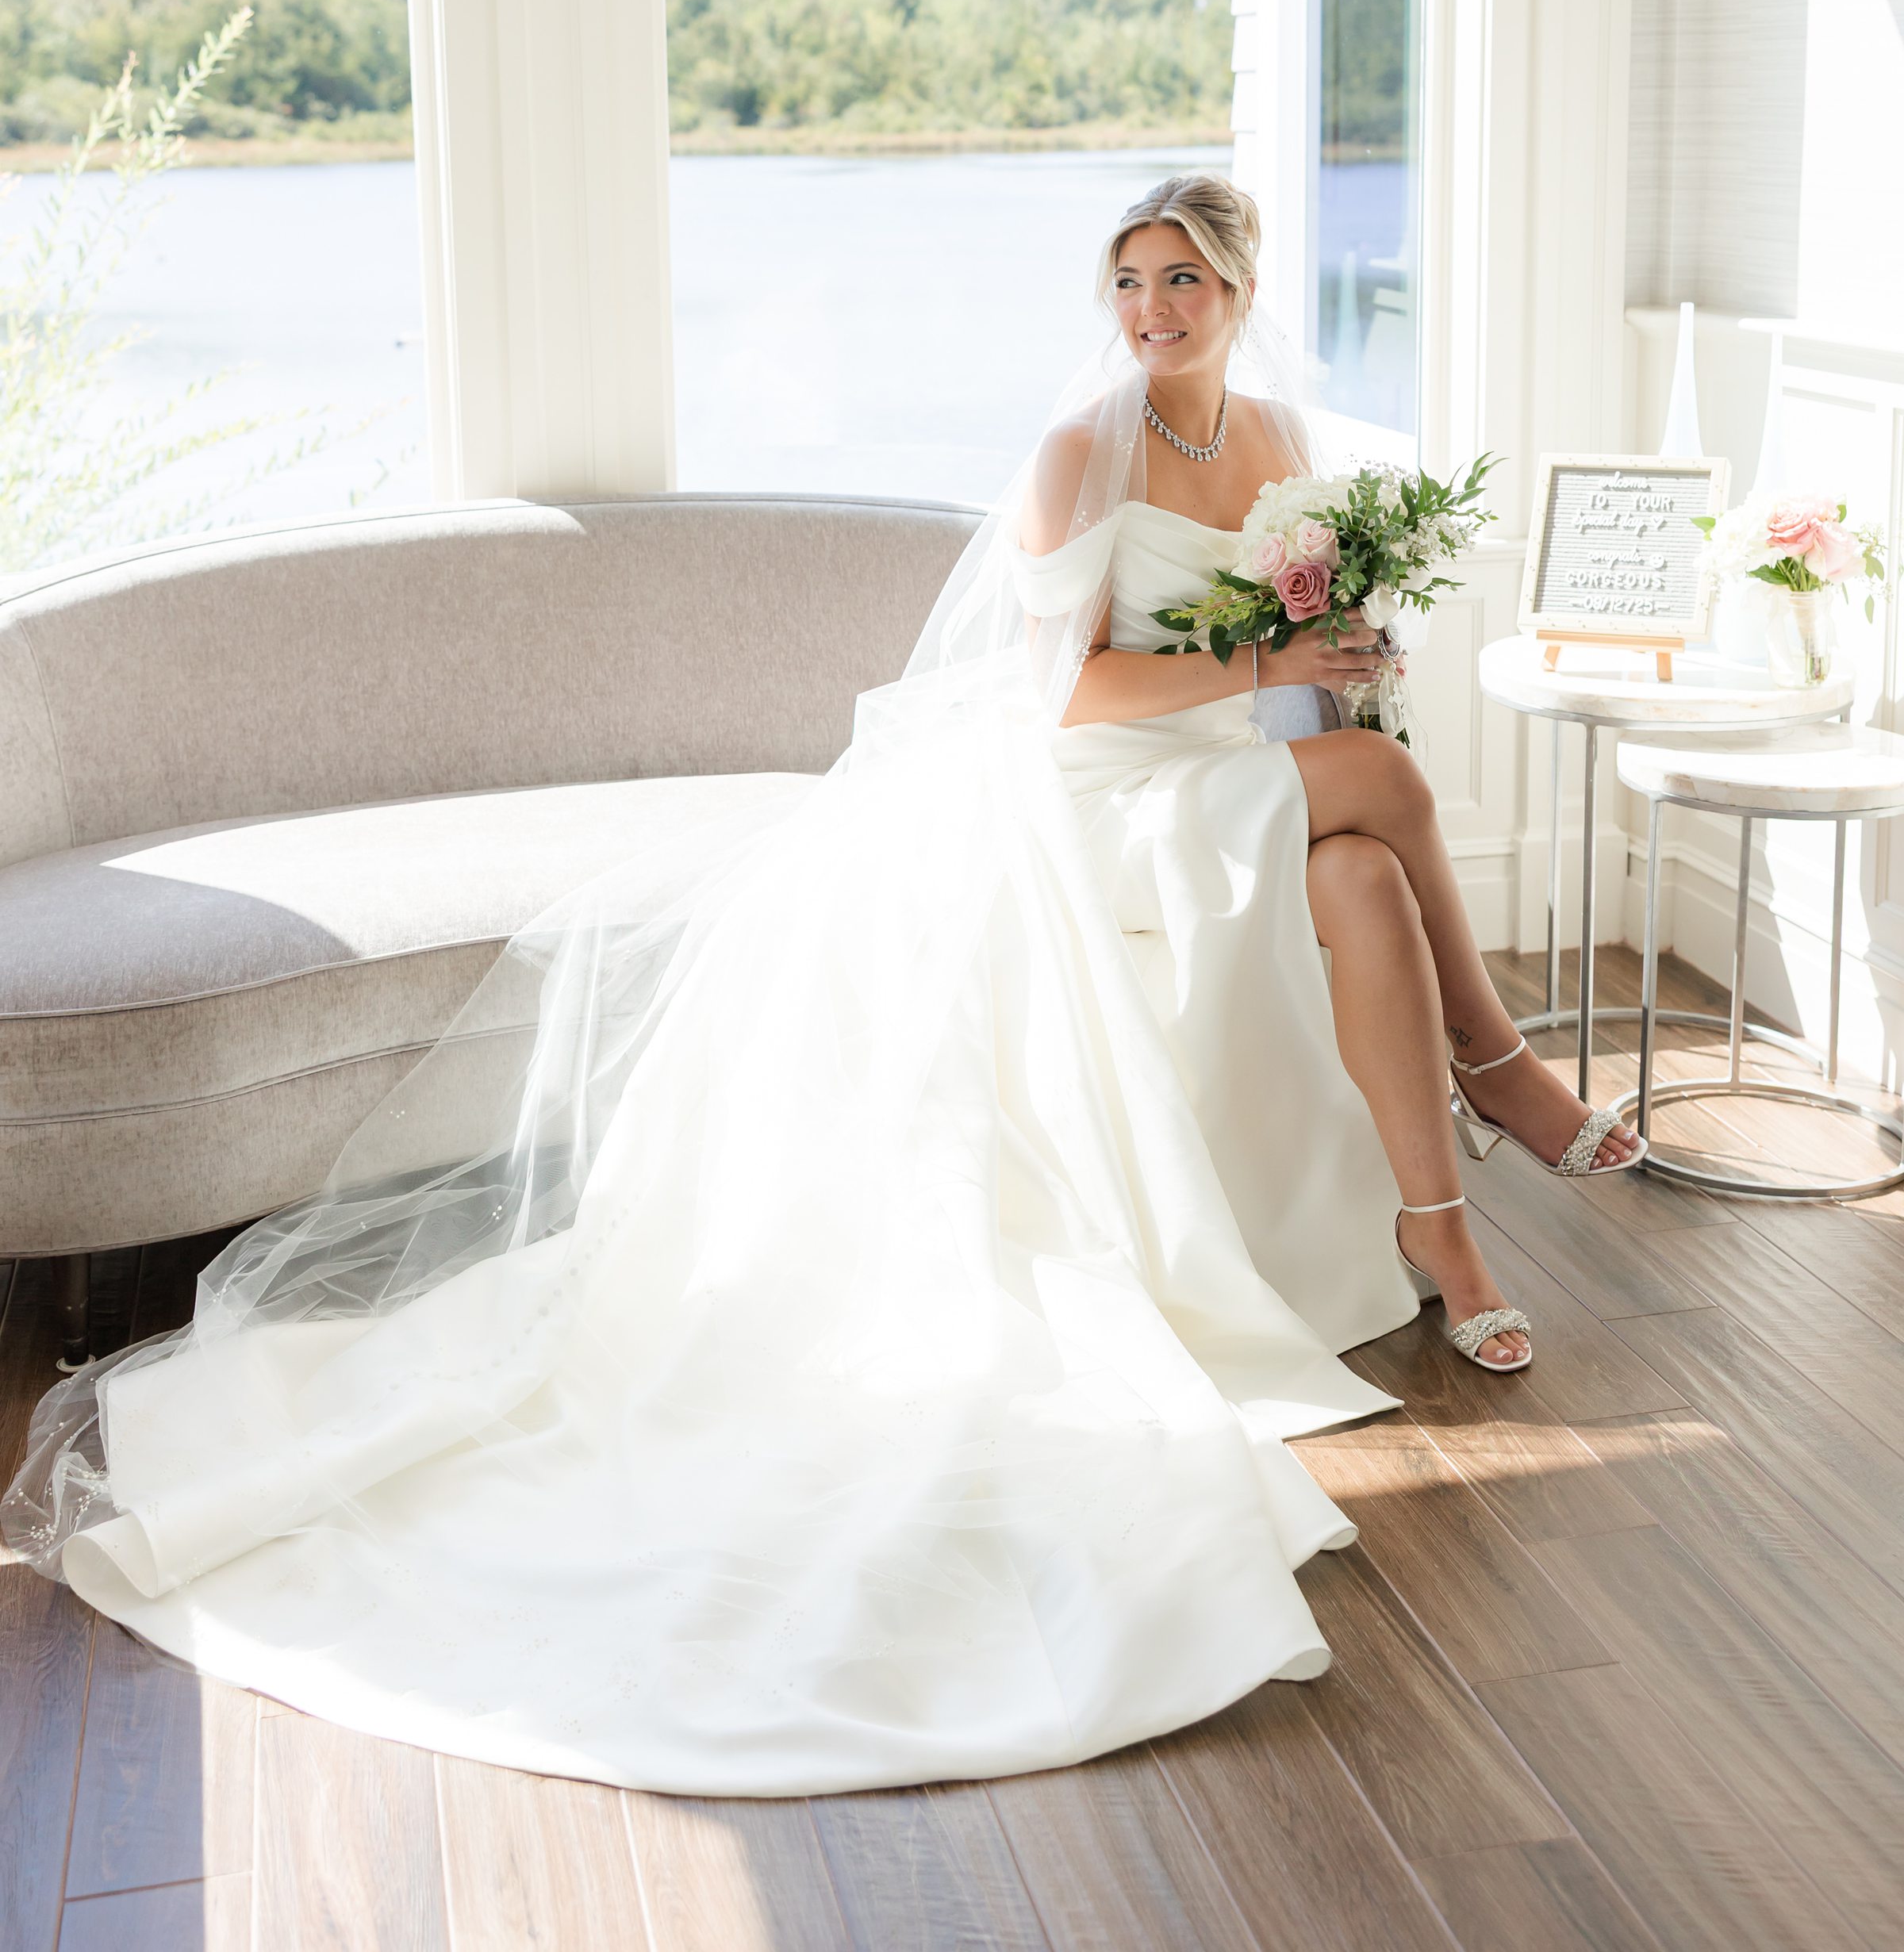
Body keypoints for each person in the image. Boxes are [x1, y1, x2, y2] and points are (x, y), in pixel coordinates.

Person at [3, 171, 1638, 1799]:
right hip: (1100, 793)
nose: (1153, 310)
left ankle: (1438, 1227)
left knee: (1362, 867)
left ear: (1241, 290)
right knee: (1390, 796)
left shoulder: (1283, 443)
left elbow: (1309, 648)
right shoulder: (1079, 452)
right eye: (1131, 281)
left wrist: (1339, 661)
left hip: (1221, 778)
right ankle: (1501, 1073)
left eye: (1184, 282)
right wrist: (1272, 663)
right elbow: (1065, 698)